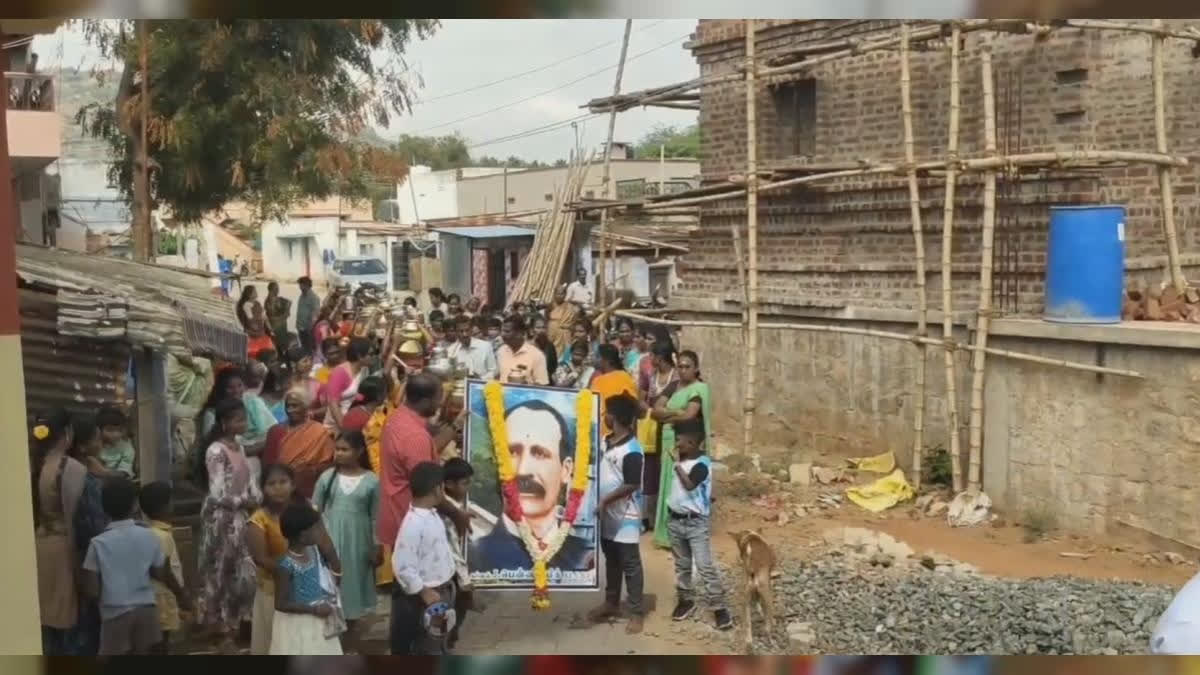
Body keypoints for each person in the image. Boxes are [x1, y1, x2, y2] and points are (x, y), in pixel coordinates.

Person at [381, 375, 469, 648]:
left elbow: (427, 451)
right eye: (439, 397)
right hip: (408, 515)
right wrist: (456, 514)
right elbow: (426, 479)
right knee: (413, 594)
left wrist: (453, 425)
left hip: (399, 512)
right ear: (427, 399)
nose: (441, 402)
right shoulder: (414, 436)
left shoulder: (399, 418)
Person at [469, 399, 591, 572]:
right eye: (512, 452)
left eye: (540, 453)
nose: (523, 470)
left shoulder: (586, 558)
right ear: (497, 463)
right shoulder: (476, 558)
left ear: (566, 470)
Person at [82, 476, 190, 655]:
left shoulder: (97, 544)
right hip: (147, 613)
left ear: (104, 508)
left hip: (114, 615)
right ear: (134, 505)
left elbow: (91, 590)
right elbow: (162, 573)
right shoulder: (149, 536)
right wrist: (183, 597)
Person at [32, 410, 106, 655]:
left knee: (50, 627)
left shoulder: (38, 465)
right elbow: (91, 523)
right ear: (68, 434)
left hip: (42, 552)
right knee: (76, 628)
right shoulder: (71, 469)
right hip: (68, 555)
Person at [195, 398, 262, 654]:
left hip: (240, 519)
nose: (242, 423)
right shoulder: (215, 450)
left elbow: (250, 481)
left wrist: (255, 496)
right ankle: (219, 626)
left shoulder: (240, 447)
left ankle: (236, 621)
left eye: (243, 418)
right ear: (224, 423)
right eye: (237, 419)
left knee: (242, 572)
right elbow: (217, 492)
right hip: (221, 520)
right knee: (219, 570)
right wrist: (246, 500)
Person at [314, 431, 381, 652]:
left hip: (358, 543)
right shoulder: (327, 477)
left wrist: (377, 546)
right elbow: (316, 511)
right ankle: (328, 636)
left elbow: (375, 517)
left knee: (352, 584)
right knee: (331, 584)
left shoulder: (372, 481)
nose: (339, 453)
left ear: (359, 452)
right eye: (337, 449)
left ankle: (350, 637)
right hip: (330, 539)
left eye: (345, 449)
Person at [664, 421, 732, 631]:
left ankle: (719, 608)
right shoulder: (684, 460)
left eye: (679, 441)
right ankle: (686, 601)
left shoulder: (702, 464)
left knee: (704, 566)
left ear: (692, 442)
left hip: (695, 524)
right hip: (675, 521)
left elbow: (690, 484)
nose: (676, 444)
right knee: (682, 565)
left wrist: (675, 464)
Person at [588, 394, 645, 634]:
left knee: (630, 563)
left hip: (625, 517)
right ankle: (611, 603)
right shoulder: (604, 441)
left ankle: (636, 612)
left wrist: (605, 500)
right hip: (606, 515)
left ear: (617, 417)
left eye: (607, 413)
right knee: (611, 559)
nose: (604, 417)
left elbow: (631, 484)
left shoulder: (633, 450)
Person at [390, 461, 456, 655]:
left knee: (440, 637)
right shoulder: (413, 525)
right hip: (427, 597)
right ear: (438, 489)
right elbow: (402, 566)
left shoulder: (432, 515)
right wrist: (424, 592)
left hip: (443, 590)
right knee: (428, 645)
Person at [651, 350, 712, 550]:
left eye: (687, 366)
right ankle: (665, 533)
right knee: (667, 482)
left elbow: (690, 415)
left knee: (680, 482)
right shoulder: (673, 386)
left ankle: (684, 534)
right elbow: (654, 411)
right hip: (668, 439)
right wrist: (677, 412)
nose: (683, 370)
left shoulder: (699, 389)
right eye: (680, 366)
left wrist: (667, 416)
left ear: (696, 369)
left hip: (685, 442)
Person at [63, 416, 111, 655]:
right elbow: (93, 524)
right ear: (82, 446)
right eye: (96, 438)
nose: (101, 441)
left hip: (78, 552)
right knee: (89, 616)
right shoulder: (83, 478)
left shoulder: (76, 469)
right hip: (87, 555)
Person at [270, 504, 344, 655]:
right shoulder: (285, 565)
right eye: (316, 528)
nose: (320, 532)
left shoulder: (314, 552)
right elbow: (280, 603)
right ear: (303, 535)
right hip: (298, 624)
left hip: (319, 620)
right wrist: (313, 609)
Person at [246, 464, 297, 655]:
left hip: (306, 588)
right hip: (273, 590)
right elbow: (261, 558)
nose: (278, 487)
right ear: (263, 489)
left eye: (283, 482)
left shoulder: (307, 510)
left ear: (293, 485)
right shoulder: (258, 520)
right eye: (271, 483)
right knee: (274, 642)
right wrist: (292, 572)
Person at [263, 387, 336, 499]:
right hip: (279, 490)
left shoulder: (319, 431)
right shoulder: (276, 431)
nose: (290, 410)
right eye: (288, 406)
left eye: (295, 406)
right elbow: (268, 465)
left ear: (305, 407)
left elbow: (329, 463)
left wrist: (310, 470)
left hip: (308, 490)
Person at [138, 481, 186, 654]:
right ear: (163, 507)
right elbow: (163, 571)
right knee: (161, 645)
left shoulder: (150, 532)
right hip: (162, 599)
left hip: (155, 599)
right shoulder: (161, 536)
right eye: (170, 501)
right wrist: (182, 596)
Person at [638, 340, 678, 531]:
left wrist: (662, 413)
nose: (649, 359)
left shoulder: (676, 378)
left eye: (652, 355)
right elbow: (641, 399)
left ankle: (668, 516)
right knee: (650, 473)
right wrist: (650, 411)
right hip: (652, 429)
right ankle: (650, 518)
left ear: (660, 358)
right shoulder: (651, 376)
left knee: (668, 470)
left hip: (671, 428)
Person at [440, 457, 475, 649]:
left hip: (452, 567)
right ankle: (446, 641)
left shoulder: (453, 505)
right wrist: (464, 579)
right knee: (456, 606)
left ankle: (449, 638)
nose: (468, 487)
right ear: (449, 484)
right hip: (450, 570)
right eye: (465, 483)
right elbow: (452, 545)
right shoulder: (448, 510)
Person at [590, 344, 638, 437]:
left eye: (597, 357)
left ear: (607, 360)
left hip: (616, 436)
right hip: (598, 434)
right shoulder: (597, 379)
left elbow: (632, 407)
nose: (594, 359)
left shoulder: (623, 377)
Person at [326, 337, 371, 432]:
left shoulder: (364, 369)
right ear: (359, 356)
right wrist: (344, 428)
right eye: (369, 354)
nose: (372, 357)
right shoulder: (339, 372)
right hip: (336, 425)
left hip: (352, 420)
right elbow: (333, 403)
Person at [497, 314, 549, 385]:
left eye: (507, 331)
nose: (502, 334)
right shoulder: (501, 351)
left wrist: (525, 386)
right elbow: (498, 377)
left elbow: (543, 385)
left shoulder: (537, 355)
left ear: (520, 333)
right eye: (502, 331)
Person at [447, 314, 497, 381]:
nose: (465, 334)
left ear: (471, 330)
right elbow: (450, 375)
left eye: (467, 330)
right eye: (461, 331)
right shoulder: (451, 351)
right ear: (456, 332)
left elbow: (493, 371)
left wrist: (481, 379)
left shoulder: (485, 346)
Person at [94, 406, 135, 478]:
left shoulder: (126, 446)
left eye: (120, 430)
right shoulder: (93, 445)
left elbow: (124, 472)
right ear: (99, 430)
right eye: (110, 430)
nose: (116, 434)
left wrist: (103, 472)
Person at [264, 281, 292, 357]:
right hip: (276, 327)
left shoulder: (276, 299)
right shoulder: (270, 301)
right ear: (271, 290)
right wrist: (285, 314)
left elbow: (289, 302)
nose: (277, 290)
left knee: (280, 344)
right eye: (276, 289)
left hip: (279, 326)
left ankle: (282, 357)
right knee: (278, 345)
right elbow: (272, 317)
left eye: (277, 288)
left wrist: (286, 311)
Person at [296, 277, 321, 357]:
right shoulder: (302, 296)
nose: (299, 287)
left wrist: (310, 327)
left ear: (307, 285)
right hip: (301, 327)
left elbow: (315, 314)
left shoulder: (314, 298)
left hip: (308, 329)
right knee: (304, 348)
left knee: (310, 350)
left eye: (301, 285)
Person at [531, 316, 558, 381]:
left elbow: (553, 367)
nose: (541, 330)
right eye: (538, 327)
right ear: (532, 330)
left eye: (543, 327)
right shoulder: (529, 346)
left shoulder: (550, 346)